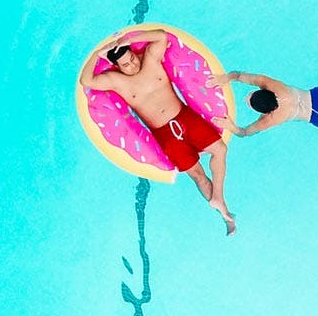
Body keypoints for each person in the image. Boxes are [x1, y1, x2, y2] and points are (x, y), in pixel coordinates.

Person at [80, 28, 238, 235]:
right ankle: (224, 212)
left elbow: (161, 36)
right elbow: (87, 81)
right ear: (116, 67)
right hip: (165, 135)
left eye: (132, 59)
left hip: (185, 118)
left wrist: (126, 40)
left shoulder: (150, 61)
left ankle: (218, 196)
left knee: (220, 149)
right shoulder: (116, 81)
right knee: (198, 175)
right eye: (125, 65)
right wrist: (98, 53)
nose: (132, 65)